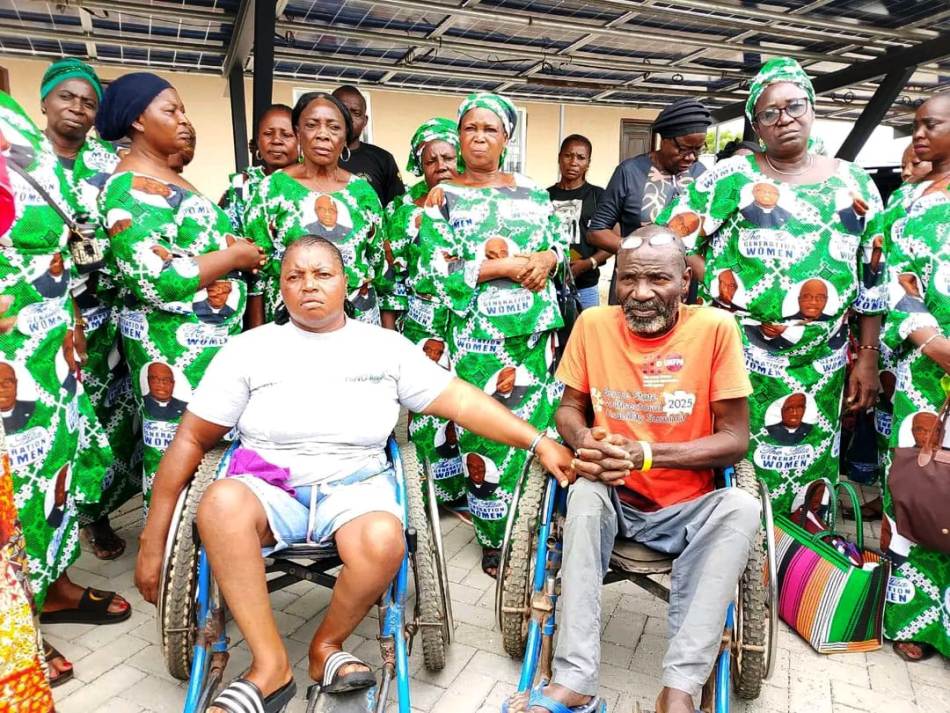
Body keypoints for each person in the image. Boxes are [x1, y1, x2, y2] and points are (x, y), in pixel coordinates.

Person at [132, 236, 574, 713]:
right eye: (295, 276)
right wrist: (152, 542)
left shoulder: (384, 348)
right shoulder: (249, 350)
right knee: (219, 502)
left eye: (322, 274)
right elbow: (191, 440)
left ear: (346, 282)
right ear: (281, 287)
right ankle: (269, 666)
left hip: (356, 487)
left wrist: (538, 441)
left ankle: (326, 646)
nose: (309, 285)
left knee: (385, 539)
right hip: (267, 485)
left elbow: (462, 401)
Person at [504, 226, 757, 713]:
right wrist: (584, 440)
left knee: (742, 508)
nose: (640, 293)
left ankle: (679, 689)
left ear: (684, 281)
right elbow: (568, 409)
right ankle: (575, 679)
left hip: (687, 507)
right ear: (615, 279)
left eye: (658, 279)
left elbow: (735, 439)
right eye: (628, 279)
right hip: (612, 496)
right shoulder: (594, 325)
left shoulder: (715, 329)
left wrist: (646, 454)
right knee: (582, 491)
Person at [658, 57, 883, 512]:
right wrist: (719, 282)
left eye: (794, 106)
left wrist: (868, 356)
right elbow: (669, 240)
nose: (784, 119)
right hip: (738, 353)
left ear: (812, 108)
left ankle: (804, 551)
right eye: (769, 113)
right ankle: (733, 552)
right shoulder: (730, 177)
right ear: (756, 126)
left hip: (822, 360)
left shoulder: (854, 182)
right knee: (732, 464)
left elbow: (872, 277)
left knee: (811, 469)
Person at [96, 72, 265, 508]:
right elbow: (159, 278)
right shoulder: (128, 187)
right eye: (171, 110)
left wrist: (239, 253)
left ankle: (212, 535)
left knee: (209, 455)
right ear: (137, 120)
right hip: (172, 350)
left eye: (184, 110)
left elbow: (192, 246)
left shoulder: (165, 176)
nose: (184, 120)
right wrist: (234, 257)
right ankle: (167, 546)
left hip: (209, 346)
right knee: (176, 454)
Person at [416, 92, 567, 576]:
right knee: (486, 437)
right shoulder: (444, 197)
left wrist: (547, 259)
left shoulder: (533, 191)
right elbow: (435, 270)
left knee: (540, 431)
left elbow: (559, 245)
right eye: (470, 129)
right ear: (459, 137)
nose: (479, 138)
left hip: (534, 337)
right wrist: (502, 267)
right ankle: (495, 538)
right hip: (479, 340)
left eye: (490, 130)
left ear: (506, 138)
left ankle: (539, 527)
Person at [1, 89, 122, 687]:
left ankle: (51, 588)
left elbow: (58, 247)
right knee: (11, 488)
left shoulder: (16, 124)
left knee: (53, 473)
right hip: (9, 350)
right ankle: (16, 627)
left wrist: (71, 320)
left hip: (51, 347)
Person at [38, 57, 140, 562]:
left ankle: (95, 512)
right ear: (45, 102)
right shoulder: (21, 159)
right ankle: (50, 522)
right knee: (57, 421)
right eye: (67, 97)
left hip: (107, 311)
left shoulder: (111, 162)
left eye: (88, 102)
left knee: (112, 417)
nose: (77, 108)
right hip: (42, 316)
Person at [879, 92, 950, 664]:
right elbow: (895, 282)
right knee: (919, 489)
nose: (919, 134)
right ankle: (914, 617)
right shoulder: (909, 202)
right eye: (916, 125)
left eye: (932, 125)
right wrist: (936, 345)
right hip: (925, 371)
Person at [245, 92, 384, 326]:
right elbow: (256, 269)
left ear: (345, 137)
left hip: (357, 319)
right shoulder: (273, 188)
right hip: (291, 320)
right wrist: (258, 333)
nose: (322, 134)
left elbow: (377, 261)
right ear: (298, 132)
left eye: (334, 127)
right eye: (311, 125)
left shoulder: (363, 192)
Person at [390, 118, 466, 503]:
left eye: (448, 157)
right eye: (431, 159)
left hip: (470, 322)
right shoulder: (403, 209)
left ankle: (471, 490)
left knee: (469, 403)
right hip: (423, 323)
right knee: (428, 405)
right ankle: (432, 495)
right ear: (419, 164)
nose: (441, 166)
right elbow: (392, 274)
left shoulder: (478, 199)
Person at [588, 98, 711, 305]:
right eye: (683, 149)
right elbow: (596, 232)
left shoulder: (702, 175)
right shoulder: (630, 172)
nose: (691, 157)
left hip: (684, 291)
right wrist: (638, 248)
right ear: (665, 140)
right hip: (636, 288)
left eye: (698, 150)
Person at [547, 134, 610, 309]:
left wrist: (589, 263)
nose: (573, 162)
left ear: (588, 163)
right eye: (568, 155)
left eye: (581, 157)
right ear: (559, 158)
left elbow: (613, 239)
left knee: (587, 327)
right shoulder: (544, 196)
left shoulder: (598, 196)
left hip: (586, 286)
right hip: (549, 285)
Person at [220, 104, 297, 234]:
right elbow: (227, 234)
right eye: (268, 134)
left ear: (301, 141)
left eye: (286, 135)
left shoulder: (312, 182)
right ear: (258, 141)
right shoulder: (242, 185)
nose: (276, 140)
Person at [331, 85, 405, 206]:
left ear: (365, 121)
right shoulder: (316, 156)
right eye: (342, 111)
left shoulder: (383, 159)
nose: (348, 118)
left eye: (355, 113)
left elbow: (397, 209)